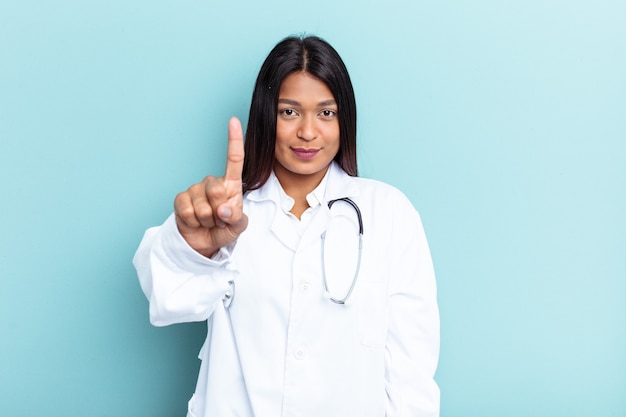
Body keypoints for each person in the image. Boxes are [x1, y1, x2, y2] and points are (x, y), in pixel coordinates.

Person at [133, 35, 440, 417]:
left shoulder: (389, 212)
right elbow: (167, 295)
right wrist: (195, 248)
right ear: (266, 117)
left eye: (326, 113)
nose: (308, 132)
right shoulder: (226, 214)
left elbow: (411, 368)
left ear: (345, 119)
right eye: (289, 112)